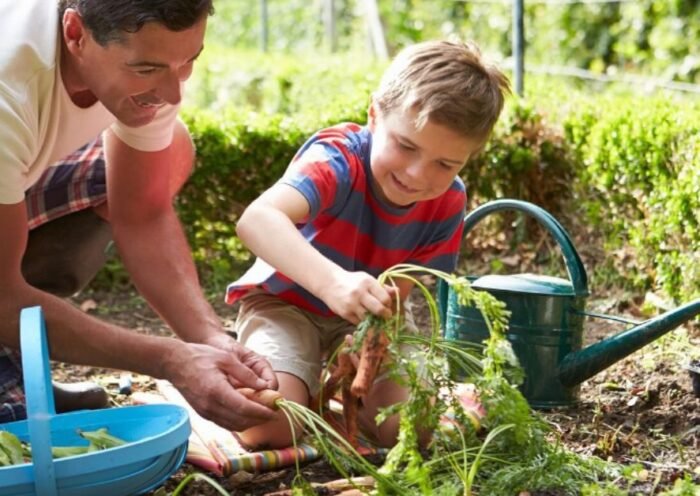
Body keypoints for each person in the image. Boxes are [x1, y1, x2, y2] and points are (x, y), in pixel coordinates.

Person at [0, 0, 278, 431]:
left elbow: (144, 214)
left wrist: (211, 341)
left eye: (189, 61)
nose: (173, 92)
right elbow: (0, 297)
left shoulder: (150, 58)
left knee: (171, 150)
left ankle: (22, 345)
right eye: (147, 69)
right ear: (76, 35)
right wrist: (171, 359)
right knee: (12, 434)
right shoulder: (7, 86)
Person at [226, 40, 510, 449]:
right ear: (374, 115)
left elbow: (399, 294)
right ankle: (291, 383)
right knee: (267, 427)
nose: (417, 174)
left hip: (369, 319)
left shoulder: (449, 202)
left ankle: (328, 392)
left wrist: (367, 337)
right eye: (406, 146)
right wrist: (332, 284)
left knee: (410, 431)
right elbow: (257, 220)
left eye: (446, 164)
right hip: (285, 304)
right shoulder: (337, 159)